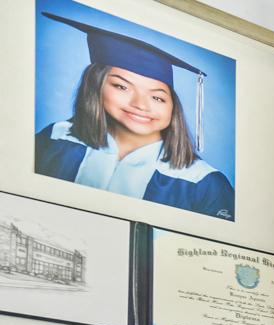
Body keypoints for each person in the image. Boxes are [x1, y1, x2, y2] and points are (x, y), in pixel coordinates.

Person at [33, 12, 234, 220]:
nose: (140, 105)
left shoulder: (202, 183)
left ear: (173, 107)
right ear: (95, 87)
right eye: (122, 86)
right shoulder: (55, 139)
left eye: (157, 98)